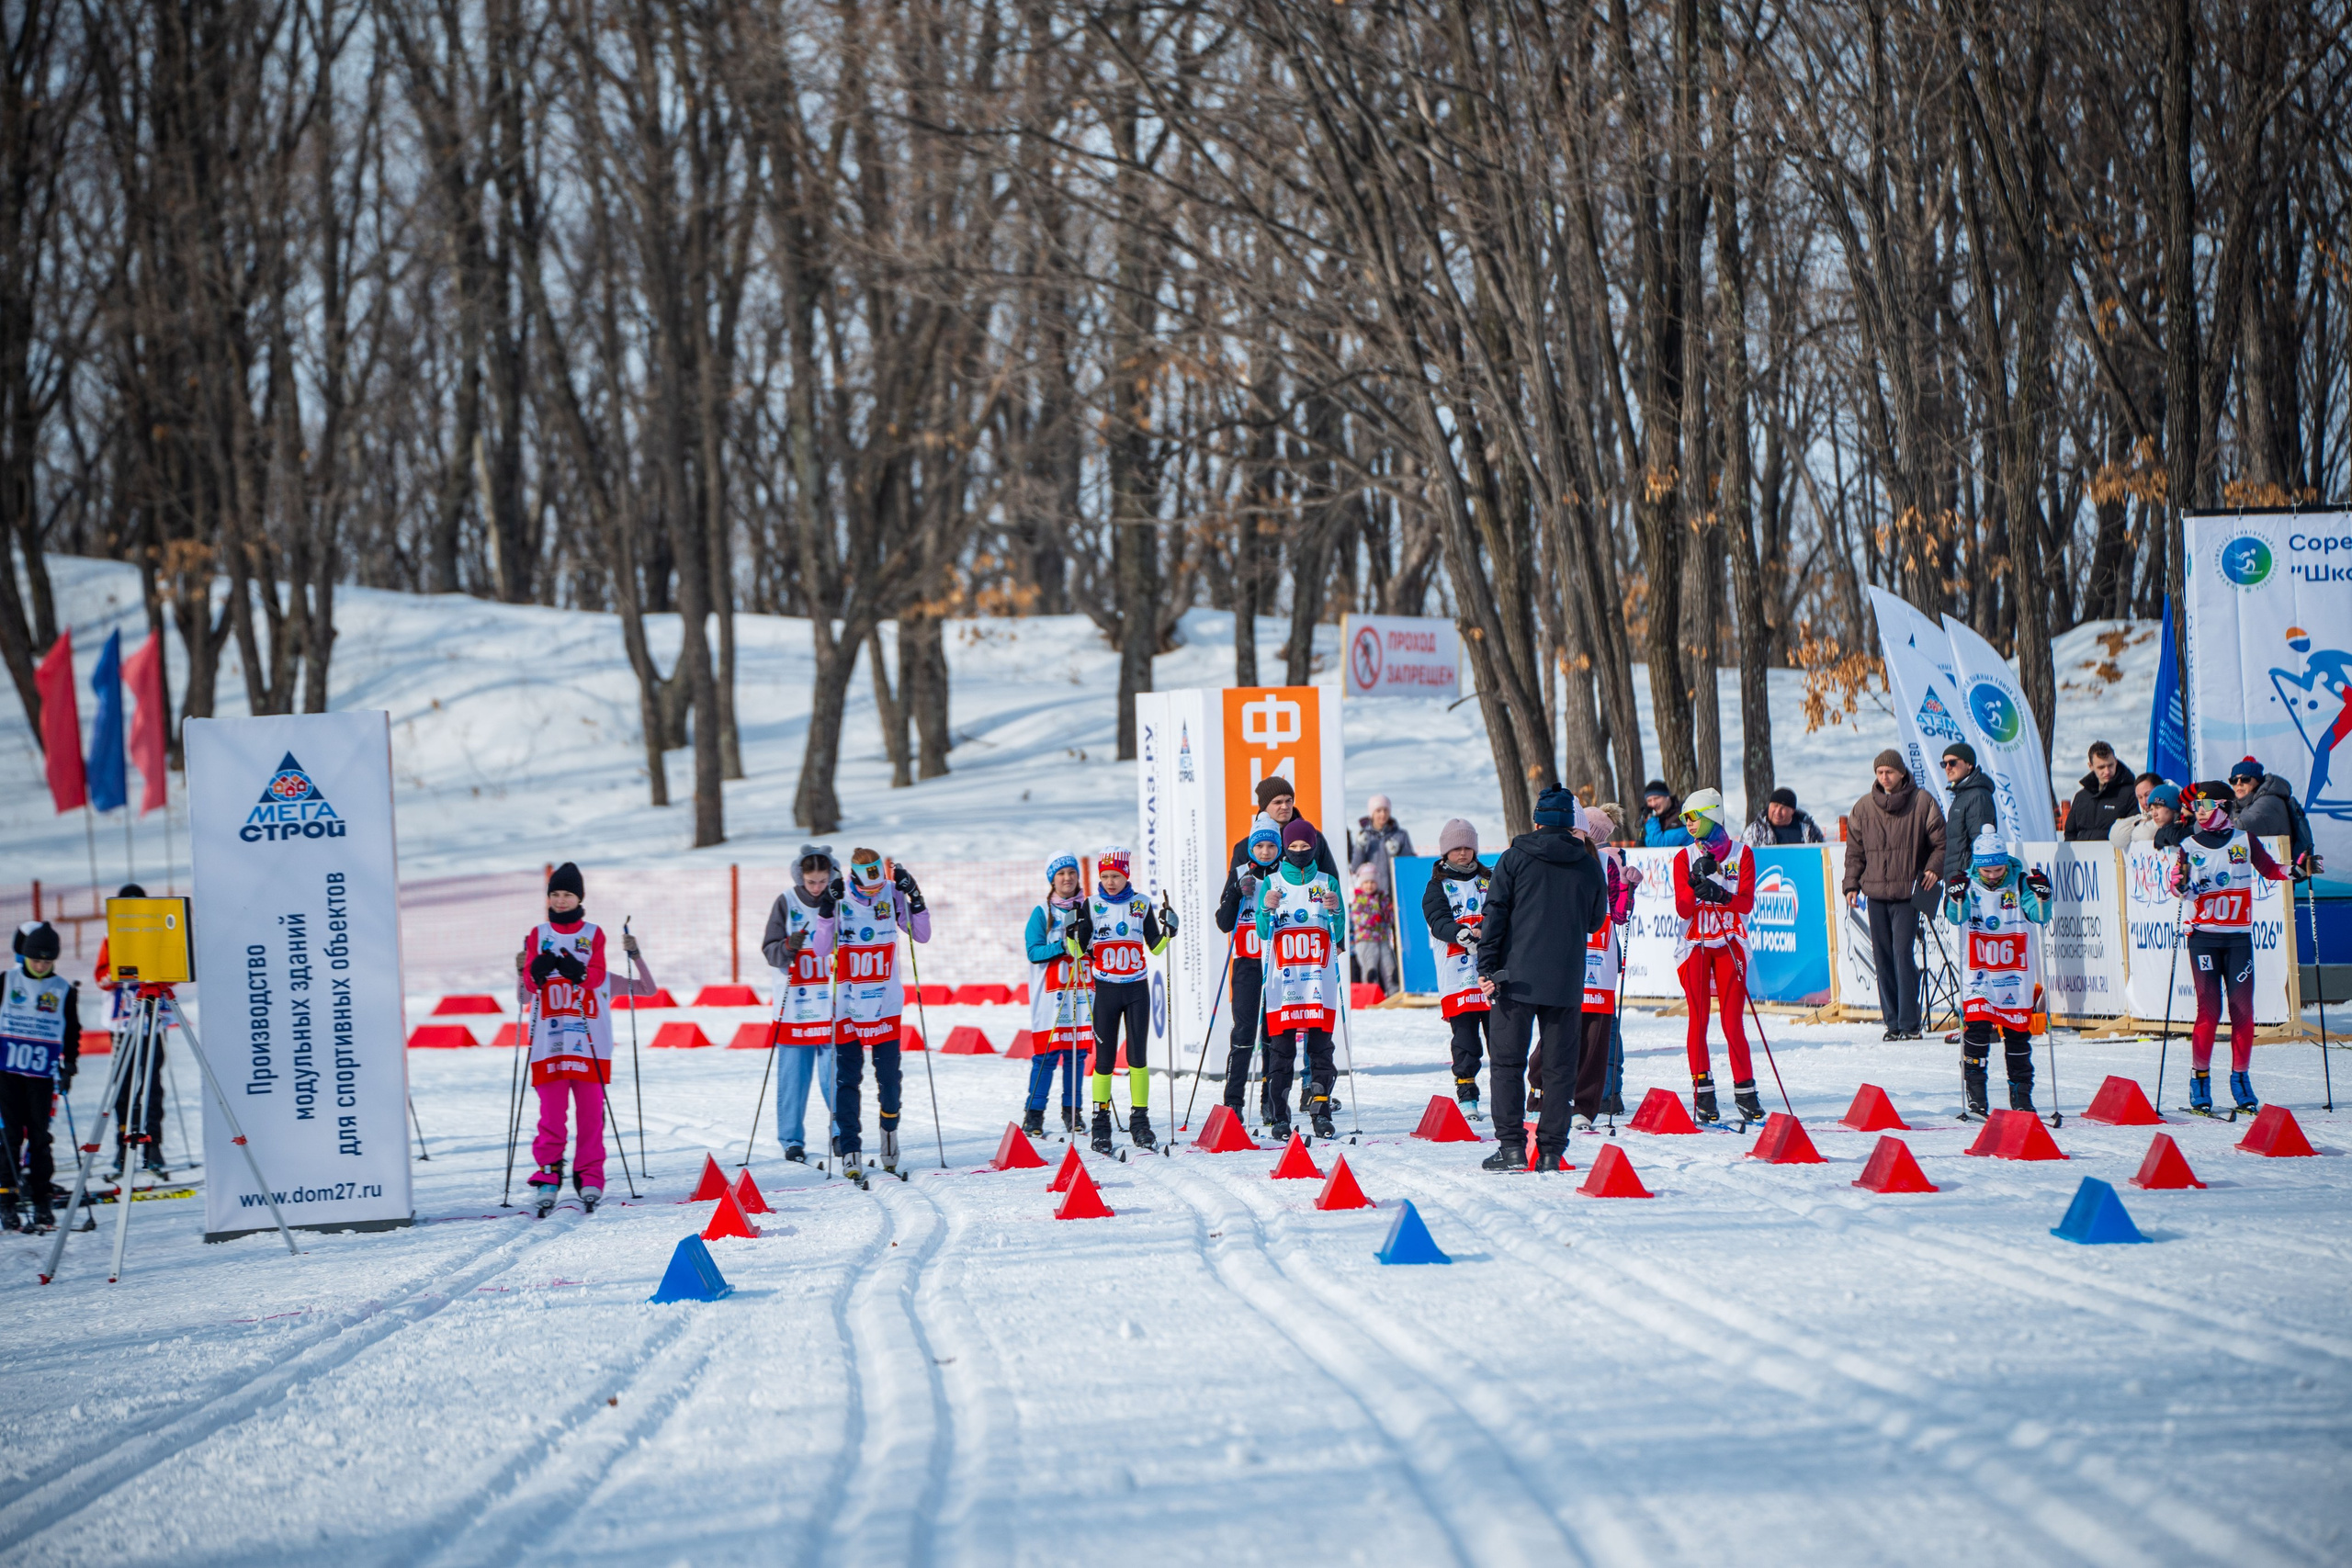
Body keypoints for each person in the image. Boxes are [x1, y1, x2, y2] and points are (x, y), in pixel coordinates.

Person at [1475, 785, 1608, 1171]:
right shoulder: (1587, 864)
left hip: (1514, 978)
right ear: (1570, 825)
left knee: (1507, 1064)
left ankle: (1513, 1148)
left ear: (1536, 822)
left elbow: (1494, 915)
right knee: (1560, 1068)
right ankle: (1551, 1151)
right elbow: (1596, 920)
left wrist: (1486, 968)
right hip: (1565, 979)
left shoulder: (1514, 858)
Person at [515, 863, 657, 1213]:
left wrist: (576, 970)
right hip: (549, 1043)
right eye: (555, 894)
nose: (560, 900)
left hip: (589, 1043)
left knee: (591, 1116)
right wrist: (529, 970)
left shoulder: (593, 933)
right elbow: (527, 993)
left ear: (580, 897)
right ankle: (548, 1173)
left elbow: (594, 976)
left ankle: (590, 1174)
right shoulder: (537, 933)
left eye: (568, 894)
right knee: (551, 1116)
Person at [2171, 788, 2290, 1114]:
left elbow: (2270, 869)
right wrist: (2180, 885)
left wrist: (2297, 870)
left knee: (2242, 1011)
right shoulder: (2188, 846)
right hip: (2203, 938)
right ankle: (2200, 1080)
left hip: (2238, 938)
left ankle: (2240, 1080)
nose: (2198, 810)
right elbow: (2175, 884)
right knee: (2209, 1012)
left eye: (2205, 804)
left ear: (2222, 805)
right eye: (2194, 805)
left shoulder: (2244, 840)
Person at [1939, 826, 2053, 1119]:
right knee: (1977, 1031)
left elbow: (2040, 916)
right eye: (1986, 870)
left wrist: (2043, 895)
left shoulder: (2019, 883)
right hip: (1979, 973)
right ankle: (1977, 1097)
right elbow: (1956, 917)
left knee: (2017, 1033)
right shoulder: (1968, 883)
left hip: (2013, 973)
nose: (1992, 876)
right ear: (1977, 866)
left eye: (1998, 869)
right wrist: (1954, 896)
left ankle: (2021, 1096)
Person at [832, 849, 930, 1177]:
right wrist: (822, 910)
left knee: (889, 1080)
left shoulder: (890, 892)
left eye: (879, 888)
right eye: (868, 889)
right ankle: (850, 1148)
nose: (874, 894)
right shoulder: (840, 896)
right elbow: (819, 947)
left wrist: (914, 896)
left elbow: (922, 935)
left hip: (885, 1003)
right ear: (855, 877)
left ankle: (889, 1131)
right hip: (848, 1004)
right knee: (848, 1079)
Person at [1843, 750, 1948, 1040]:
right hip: (1875, 893)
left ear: (1901, 773)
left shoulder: (1922, 801)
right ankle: (1892, 1023)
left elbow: (1941, 843)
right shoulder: (1863, 807)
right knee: (1883, 957)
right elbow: (1854, 852)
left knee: (1903, 954)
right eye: (1879, 772)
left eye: (1889, 771)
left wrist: (1933, 869)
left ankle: (1910, 1023)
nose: (1884, 777)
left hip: (1907, 893)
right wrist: (1851, 885)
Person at [1252, 817, 1345, 1141]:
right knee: (1282, 1052)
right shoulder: (1274, 882)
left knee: (1321, 1050)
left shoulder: (1327, 881)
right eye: (1293, 846)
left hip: (1318, 982)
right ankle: (1279, 1115)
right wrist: (1265, 908)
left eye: (1305, 846)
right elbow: (1263, 932)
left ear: (1314, 847)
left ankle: (1321, 1111)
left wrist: (1334, 911)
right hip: (1285, 983)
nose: (1300, 851)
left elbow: (1341, 932)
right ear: (1285, 849)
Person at [1672, 787, 1761, 1122]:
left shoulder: (1742, 854)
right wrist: (1696, 883)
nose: (1688, 824)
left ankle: (1746, 1090)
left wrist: (1721, 893)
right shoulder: (1683, 856)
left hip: (1730, 941)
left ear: (1712, 815)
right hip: (1695, 943)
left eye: (1692, 817)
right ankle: (1704, 1093)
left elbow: (1747, 903)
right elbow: (1682, 909)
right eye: (1684, 819)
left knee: (1732, 1019)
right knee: (1699, 1017)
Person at [1080, 846, 1175, 1153]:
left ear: (1126, 875)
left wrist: (1169, 930)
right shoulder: (1091, 905)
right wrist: (1072, 929)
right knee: (1104, 1061)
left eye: (1116, 876)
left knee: (1137, 1058)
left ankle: (1140, 1122)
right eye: (1105, 876)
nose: (1110, 882)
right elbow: (1076, 949)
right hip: (1106, 990)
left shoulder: (1141, 904)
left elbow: (1156, 947)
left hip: (1136, 989)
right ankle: (1100, 1123)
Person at [760, 845, 841, 1163]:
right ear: (800, 878)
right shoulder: (787, 901)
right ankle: (791, 1139)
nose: (818, 888)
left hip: (830, 1001)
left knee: (834, 1075)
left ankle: (840, 1132)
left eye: (823, 881)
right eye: (812, 882)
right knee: (793, 1077)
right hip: (795, 1003)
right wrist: (787, 946)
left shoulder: (840, 901)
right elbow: (769, 949)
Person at [1, 922, 78, 1232]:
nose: (42, 966)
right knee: (9, 1138)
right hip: (6, 1073)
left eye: (48, 961)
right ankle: (6, 1199)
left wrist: (69, 1063)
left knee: (40, 1137)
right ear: (26, 957)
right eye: (37, 960)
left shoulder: (62, 989)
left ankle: (41, 1196)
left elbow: (72, 1030)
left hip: (40, 1075)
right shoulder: (7, 981)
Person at [93, 883, 168, 1175]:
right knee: (122, 1085)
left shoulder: (156, 931)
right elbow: (102, 976)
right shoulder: (112, 934)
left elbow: (172, 972)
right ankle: (123, 1144)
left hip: (151, 1020)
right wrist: (123, 971)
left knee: (152, 1084)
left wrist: (157, 973)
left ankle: (153, 1143)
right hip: (122, 1020)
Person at [1570, 804, 1636, 1133]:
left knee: (1604, 1020)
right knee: (1575, 1018)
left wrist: (1627, 886)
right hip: (1574, 947)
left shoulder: (1610, 860)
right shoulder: (1572, 857)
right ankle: (1573, 1086)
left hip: (1600, 949)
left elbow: (1620, 913)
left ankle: (1609, 1091)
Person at [1214, 818, 1282, 1123]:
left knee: (1273, 1034)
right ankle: (1234, 1102)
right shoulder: (1241, 873)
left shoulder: (1286, 876)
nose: (1265, 851)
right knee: (1243, 1032)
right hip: (1246, 964)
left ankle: (1271, 1100)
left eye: (1271, 846)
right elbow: (1224, 922)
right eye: (1259, 846)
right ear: (1251, 848)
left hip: (1279, 966)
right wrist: (1237, 893)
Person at [1421, 818, 1490, 1115]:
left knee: (1502, 1038)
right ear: (1445, 852)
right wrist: (1460, 933)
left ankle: (1506, 1092)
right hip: (1457, 974)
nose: (1463, 854)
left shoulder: (1489, 879)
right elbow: (1437, 920)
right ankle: (1467, 1091)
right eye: (1456, 848)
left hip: (1490, 972)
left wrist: (1488, 931)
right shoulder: (1438, 885)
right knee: (1465, 1039)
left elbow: (1503, 910)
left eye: (1467, 848)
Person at [2226, 755, 2321, 876]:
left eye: (2245, 779)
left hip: (2277, 879)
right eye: (2233, 780)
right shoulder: (2240, 803)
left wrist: (2212, 825)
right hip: (2258, 876)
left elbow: (2242, 826)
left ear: (2257, 780)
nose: (2239, 784)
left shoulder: (2269, 801)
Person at [1940, 743, 1997, 880]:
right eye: (1944, 764)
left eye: (1952, 762)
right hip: (1956, 879)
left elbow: (1981, 844)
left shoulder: (1977, 796)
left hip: (1966, 882)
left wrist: (1970, 881)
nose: (1948, 767)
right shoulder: (1963, 795)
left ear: (1969, 765)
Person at [2064, 742, 2138, 840]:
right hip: (2082, 853)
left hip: (2116, 853)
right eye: (2101, 767)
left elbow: (2133, 829)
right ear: (2090, 766)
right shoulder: (2081, 797)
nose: (2107, 771)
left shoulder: (2132, 793)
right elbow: (2070, 833)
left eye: (2110, 765)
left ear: (2116, 761)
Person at [1347, 863, 1396, 995]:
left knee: (1389, 967)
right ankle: (1370, 994)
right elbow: (1357, 918)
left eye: (1372, 882)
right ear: (1361, 884)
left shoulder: (1383, 898)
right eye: (1366, 882)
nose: (1369, 885)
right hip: (1366, 940)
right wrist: (1373, 919)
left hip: (1383, 939)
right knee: (1370, 969)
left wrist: (1386, 913)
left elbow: (1389, 917)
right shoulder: (1359, 899)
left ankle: (1393, 992)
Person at [1351, 794, 1415, 873]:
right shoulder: (1364, 836)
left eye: (1385, 810)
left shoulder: (1400, 835)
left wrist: (1396, 854)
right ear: (1372, 814)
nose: (1383, 814)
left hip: (1395, 884)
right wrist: (1360, 848)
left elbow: (1410, 865)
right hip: (1371, 884)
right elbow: (1355, 868)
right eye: (1378, 811)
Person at [1743, 787, 1826, 846]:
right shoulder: (1755, 831)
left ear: (1792, 811)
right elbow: (1741, 858)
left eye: (1783, 808)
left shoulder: (1809, 830)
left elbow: (1822, 854)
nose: (1777, 811)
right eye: (1775, 806)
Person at [2108, 773, 2170, 844]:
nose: (2144, 802)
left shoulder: (2174, 812)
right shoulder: (2143, 816)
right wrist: (2138, 823)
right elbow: (2116, 837)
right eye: (2140, 797)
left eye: (2147, 795)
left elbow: (2144, 835)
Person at [2114, 783, 2181, 845]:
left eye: (2158, 807)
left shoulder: (2185, 827)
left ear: (2173, 809)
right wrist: (2137, 823)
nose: (2154, 814)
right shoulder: (2149, 821)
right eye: (2151, 809)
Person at [1640, 780, 1691, 847]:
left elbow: (1659, 844)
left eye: (1656, 798)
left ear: (1667, 797)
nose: (1653, 804)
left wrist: (1650, 819)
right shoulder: (1658, 820)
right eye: (1649, 800)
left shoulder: (1682, 815)